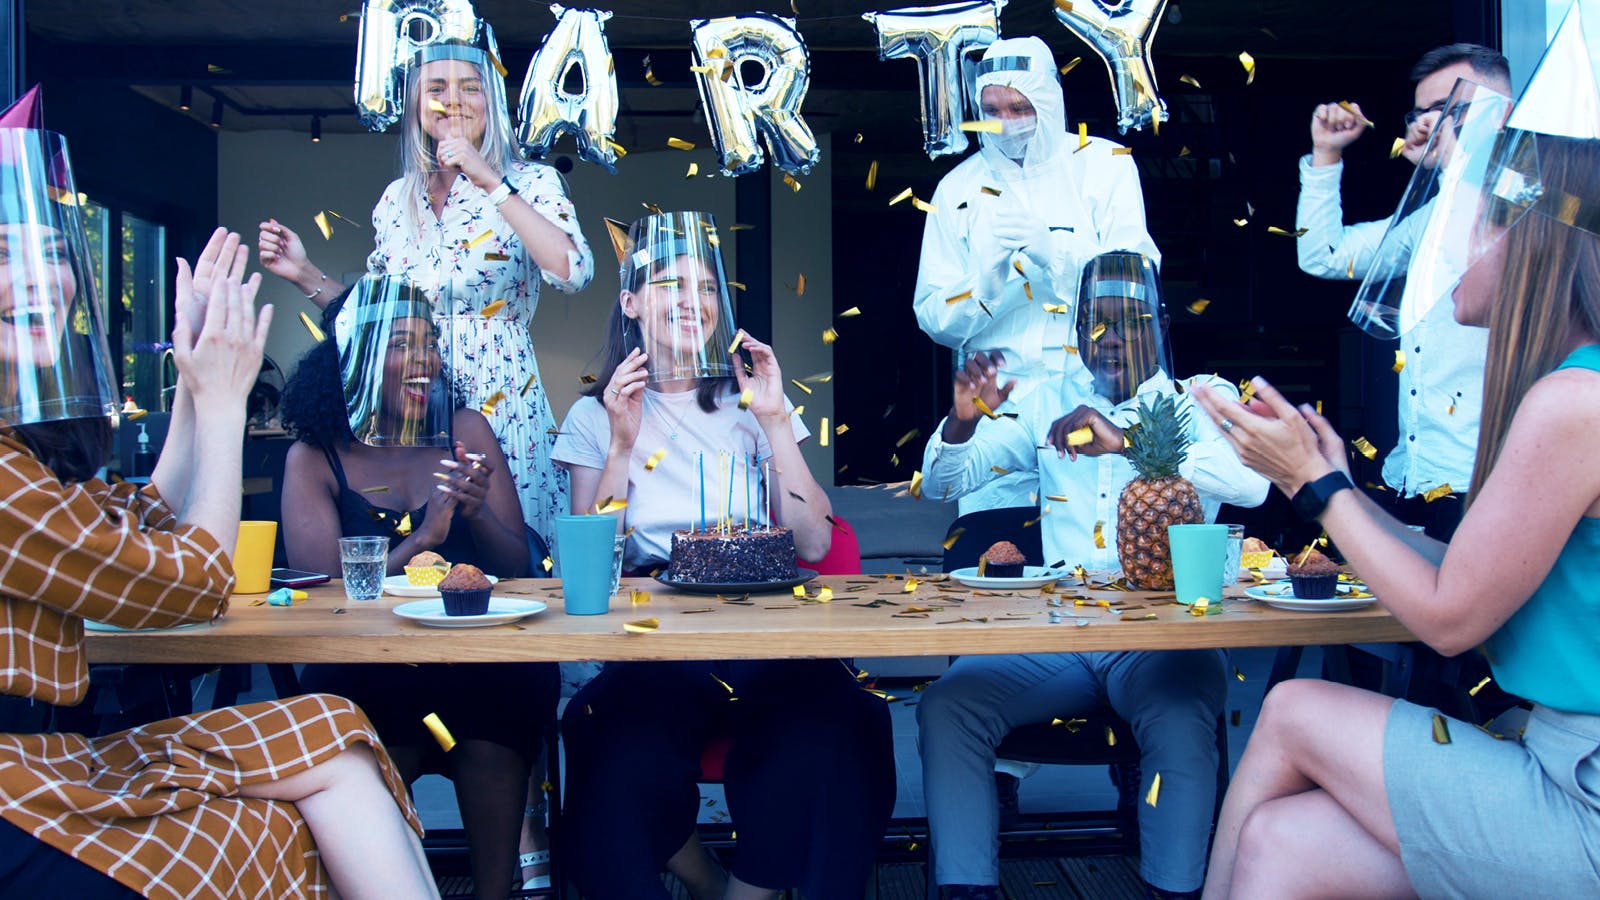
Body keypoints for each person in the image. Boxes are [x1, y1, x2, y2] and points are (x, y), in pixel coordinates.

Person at [1196, 19, 1600, 894]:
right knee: (1281, 843)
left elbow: (1451, 620)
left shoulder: (1575, 403)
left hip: (1583, 795)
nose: (1448, 248)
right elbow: (1466, 575)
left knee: (1294, 707)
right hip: (1559, 758)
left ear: (1530, 244)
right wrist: (1342, 485)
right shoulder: (1571, 386)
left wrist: (1312, 483)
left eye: (1470, 223)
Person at [0, 114, 435, 898]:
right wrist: (228, 404)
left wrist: (197, 389)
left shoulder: (16, 453)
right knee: (285, 829)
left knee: (331, 729)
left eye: (49, 253)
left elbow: (142, 520)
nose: (35, 276)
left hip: (52, 759)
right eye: (5, 255)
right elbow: (197, 582)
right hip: (21, 792)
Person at [550, 211, 895, 900]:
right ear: (630, 303)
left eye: (707, 287)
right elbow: (592, 569)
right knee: (609, 738)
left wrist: (773, 419)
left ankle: (750, 888)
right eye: (671, 284)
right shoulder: (594, 416)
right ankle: (701, 879)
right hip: (658, 643)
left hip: (766, 631)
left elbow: (815, 544)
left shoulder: (750, 404)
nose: (692, 300)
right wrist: (621, 445)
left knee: (838, 723)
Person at [917, 252, 1268, 900]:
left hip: (1167, 640)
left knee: (1182, 718)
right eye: (1095, 322)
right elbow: (944, 484)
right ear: (1077, 330)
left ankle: (1175, 891)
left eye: (1129, 320)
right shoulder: (1046, 402)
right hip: (1063, 636)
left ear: (1160, 324)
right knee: (949, 705)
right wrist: (963, 421)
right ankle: (967, 890)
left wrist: (1130, 440)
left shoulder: (1202, 399)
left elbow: (1253, 484)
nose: (1110, 337)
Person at [278, 276, 558, 900]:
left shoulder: (465, 429)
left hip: (481, 663)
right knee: (368, 750)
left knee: (491, 744)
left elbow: (520, 565)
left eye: (429, 342)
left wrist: (477, 513)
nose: (424, 359)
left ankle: (494, 894)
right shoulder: (315, 456)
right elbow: (325, 599)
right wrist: (426, 535)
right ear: (356, 354)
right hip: (366, 670)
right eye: (402, 344)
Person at [258, 29, 593, 547]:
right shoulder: (397, 199)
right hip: (409, 402)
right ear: (417, 104)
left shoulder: (532, 182)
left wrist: (489, 179)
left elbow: (573, 271)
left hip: (500, 398)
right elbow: (375, 318)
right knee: (426, 556)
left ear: (492, 102)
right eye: (436, 87)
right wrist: (304, 273)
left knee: (512, 551)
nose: (452, 100)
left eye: (470, 87)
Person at [913, 35, 1159, 515]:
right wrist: (985, 287)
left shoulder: (1104, 164)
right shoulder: (957, 188)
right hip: (1000, 411)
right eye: (991, 110)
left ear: (1048, 101)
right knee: (998, 545)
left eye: (1020, 108)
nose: (1005, 123)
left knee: (1097, 538)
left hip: (1094, 401)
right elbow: (934, 319)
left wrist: (1057, 253)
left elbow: (1139, 282)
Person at [1296, 43, 1511, 540]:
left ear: (1503, 113)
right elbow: (1324, 254)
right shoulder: (1431, 214)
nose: (1433, 123)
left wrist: (1451, 163)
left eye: (1452, 109)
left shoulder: (1528, 202)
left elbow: (1486, 253)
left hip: (1488, 482)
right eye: (1423, 113)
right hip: (1412, 479)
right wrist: (1326, 154)